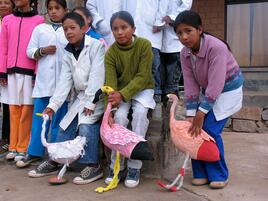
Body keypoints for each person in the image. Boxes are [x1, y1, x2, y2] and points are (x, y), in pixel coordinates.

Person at [28, 12, 105, 185]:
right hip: (80, 98)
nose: (68, 32)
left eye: (72, 28)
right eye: (65, 29)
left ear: (83, 28)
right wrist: (53, 106)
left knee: (86, 126)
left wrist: (92, 102)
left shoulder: (96, 46)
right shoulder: (68, 52)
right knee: (64, 127)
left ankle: (93, 165)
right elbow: (65, 81)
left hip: (98, 97)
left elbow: (97, 77)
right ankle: (57, 161)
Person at [174, 10, 244, 189]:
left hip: (228, 90)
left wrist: (201, 112)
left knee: (209, 129)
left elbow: (216, 84)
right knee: (194, 129)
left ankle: (219, 174)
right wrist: (191, 113)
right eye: (179, 33)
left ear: (199, 29)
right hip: (211, 92)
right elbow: (190, 84)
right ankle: (201, 173)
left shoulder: (216, 48)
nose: (184, 37)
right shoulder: (185, 53)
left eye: (188, 31)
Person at [104, 11, 155, 188]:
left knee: (140, 114)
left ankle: (134, 166)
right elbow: (110, 84)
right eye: (115, 29)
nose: (120, 32)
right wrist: (109, 110)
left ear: (133, 28)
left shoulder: (144, 45)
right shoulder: (111, 52)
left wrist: (122, 94)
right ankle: (116, 165)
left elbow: (142, 76)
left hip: (142, 89)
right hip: (120, 92)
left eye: (124, 27)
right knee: (118, 119)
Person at [16, 0, 68, 168]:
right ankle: (34, 152)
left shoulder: (67, 30)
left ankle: (55, 156)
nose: (53, 12)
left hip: (62, 86)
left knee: (58, 121)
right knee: (39, 119)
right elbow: (30, 51)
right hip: (43, 84)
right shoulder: (40, 29)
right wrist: (43, 51)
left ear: (65, 10)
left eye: (57, 8)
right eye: (50, 8)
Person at [0, 0, 44, 161]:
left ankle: (23, 147)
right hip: (11, 70)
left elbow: (38, 47)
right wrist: (2, 70)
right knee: (13, 109)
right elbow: (2, 46)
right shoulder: (7, 20)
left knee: (27, 109)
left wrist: (36, 72)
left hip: (29, 70)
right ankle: (13, 145)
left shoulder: (39, 20)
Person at [122, 0, 168, 103]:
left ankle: (155, 94)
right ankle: (133, 94)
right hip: (133, 31)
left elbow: (163, 3)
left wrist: (159, 22)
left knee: (153, 65)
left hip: (151, 30)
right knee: (133, 66)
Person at [160, 0, 192, 97]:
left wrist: (172, 17)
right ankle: (164, 110)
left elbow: (187, 4)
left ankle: (171, 111)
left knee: (171, 86)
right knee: (162, 84)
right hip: (160, 44)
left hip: (175, 45)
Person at [0, 0, 14, 154]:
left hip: (7, 68)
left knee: (8, 104)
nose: (2, 5)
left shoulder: (12, 22)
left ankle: (7, 138)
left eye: (6, 2)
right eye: (0, 2)